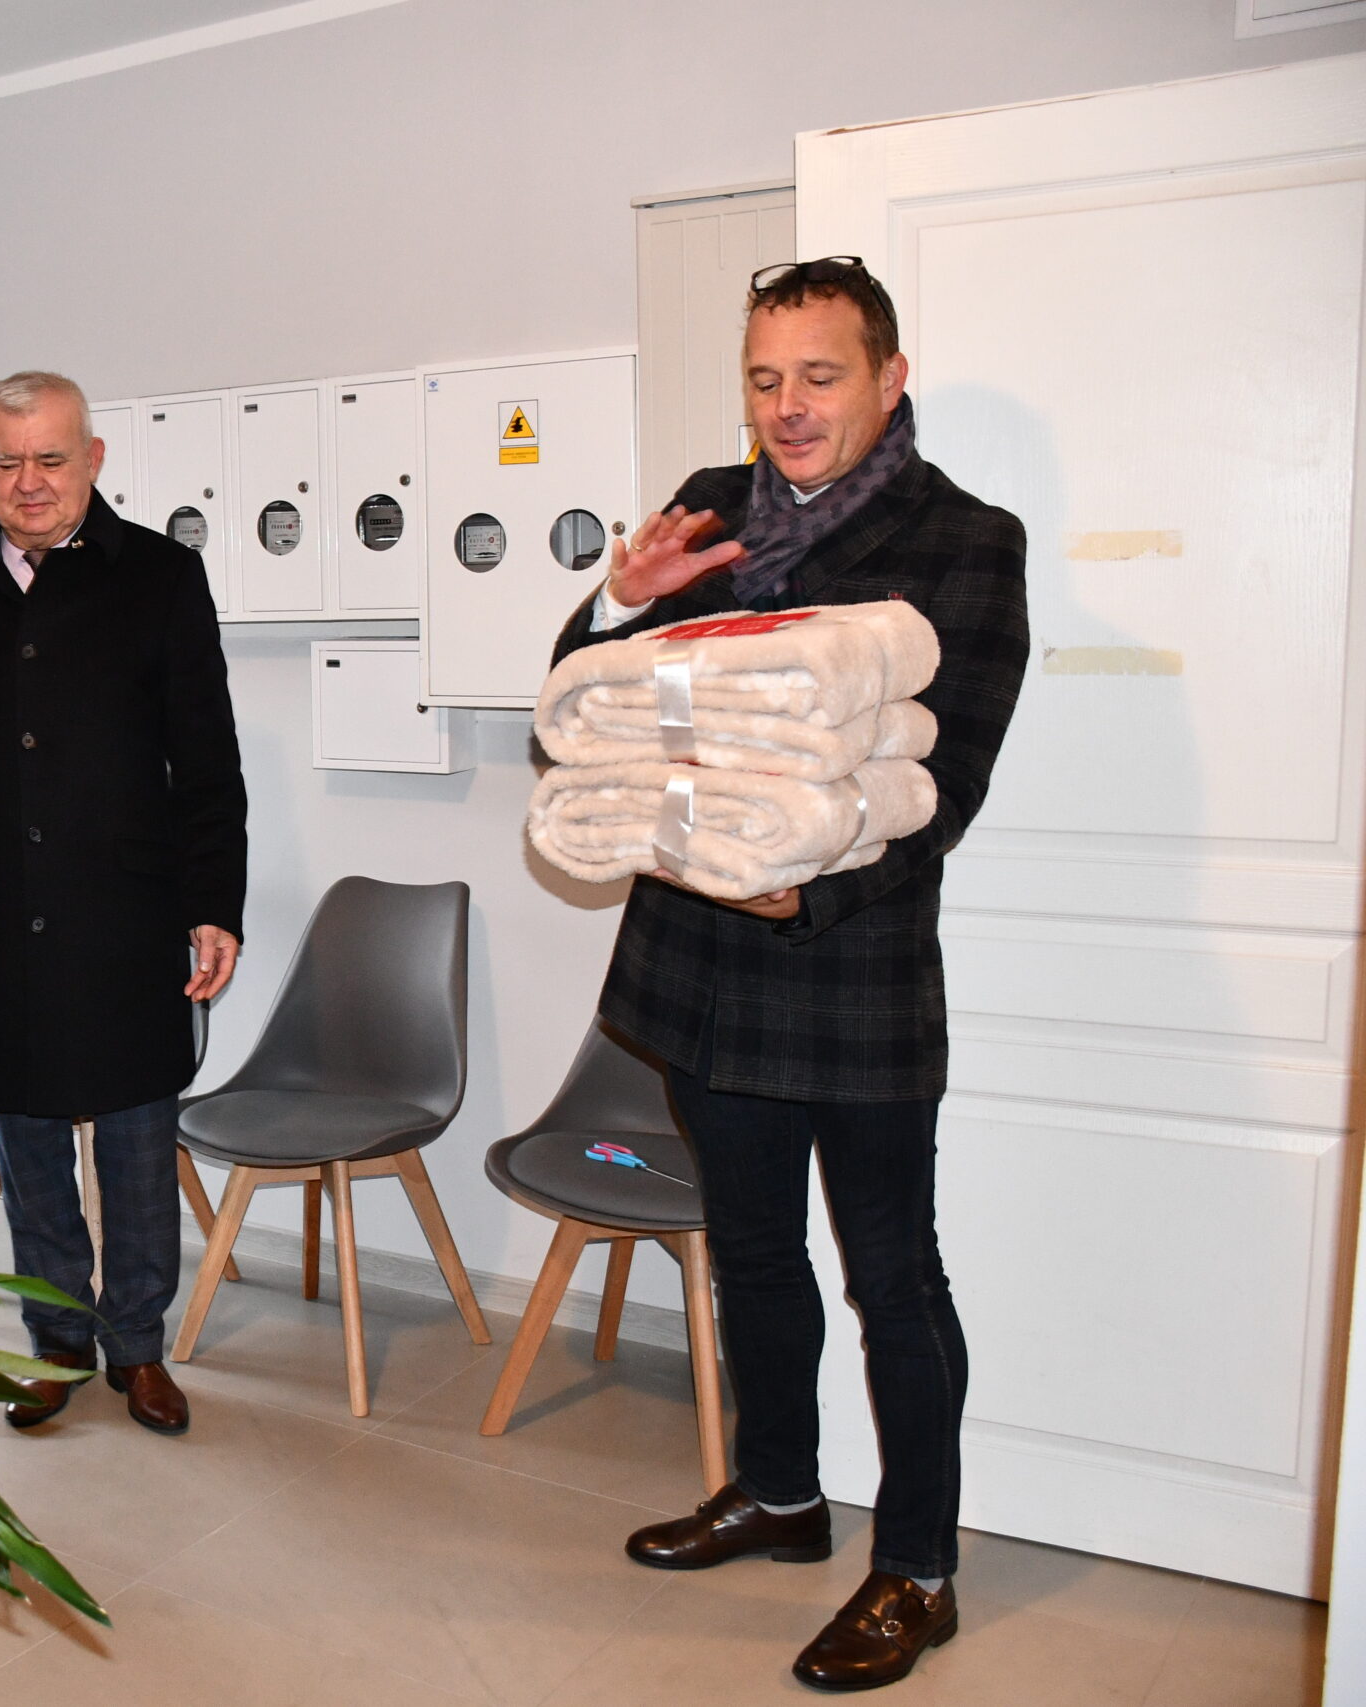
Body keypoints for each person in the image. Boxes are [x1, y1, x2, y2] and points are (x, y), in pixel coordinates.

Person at [551, 258, 1027, 1692]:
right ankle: (777, 1491)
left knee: (893, 1274)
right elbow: (589, 710)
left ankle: (920, 1566)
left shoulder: (965, 539)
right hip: (696, 957)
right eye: (765, 379)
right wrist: (615, 602)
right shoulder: (709, 504)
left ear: (889, 378)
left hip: (855, 971)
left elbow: (951, 775)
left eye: (819, 376)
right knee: (750, 1251)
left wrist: (811, 886)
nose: (788, 407)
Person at [0, 370, 246, 1437]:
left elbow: (207, 755)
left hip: (127, 905)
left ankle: (137, 1345)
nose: (30, 481)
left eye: (51, 459)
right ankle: (54, 1341)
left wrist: (214, 903)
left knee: (137, 1132)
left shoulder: (161, 576)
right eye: (8, 462)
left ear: (92, 459)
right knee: (28, 1135)